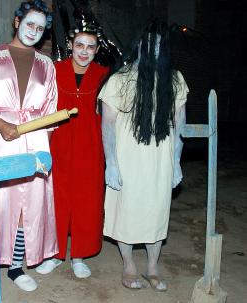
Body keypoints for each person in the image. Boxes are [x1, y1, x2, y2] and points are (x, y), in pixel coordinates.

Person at [0, 1, 57, 301]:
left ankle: (17, 267)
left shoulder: (47, 65)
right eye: (30, 24)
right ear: (17, 22)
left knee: (26, 208)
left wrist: (42, 144)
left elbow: (50, 109)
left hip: (35, 138)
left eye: (40, 28)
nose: (34, 31)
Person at [99, 21, 189, 291]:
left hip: (159, 161)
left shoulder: (174, 80)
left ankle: (152, 266)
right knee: (126, 211)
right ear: (139, 46)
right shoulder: (120, 80)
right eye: (150, 43)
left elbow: (179, 126)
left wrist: (175, 163)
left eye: (160, 44)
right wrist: (111, 164)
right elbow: (108, 126)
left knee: (156, 211)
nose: (154, 48)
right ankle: (128, 265)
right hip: (127, 159)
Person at [35, 12, 109, 278]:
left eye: (90, 47)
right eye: (79, 45)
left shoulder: (104, 75)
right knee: (55, 197)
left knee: (87, 200)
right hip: (59, 145)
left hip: (91, 147)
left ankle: (79, 254)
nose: (84, 51)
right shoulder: (54, 71)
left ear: (97, 49)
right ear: (70, 45)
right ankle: (54, 254)